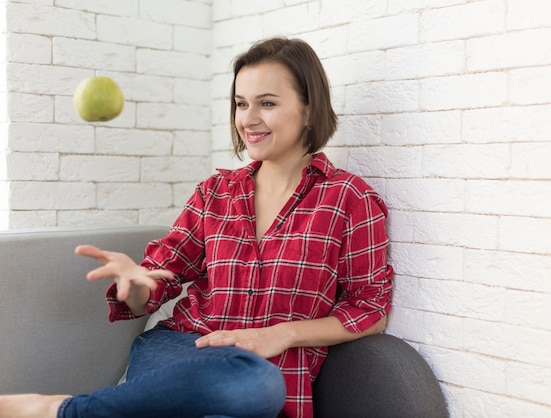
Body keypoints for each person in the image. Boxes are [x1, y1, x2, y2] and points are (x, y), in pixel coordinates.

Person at [0, 37, 393, 418]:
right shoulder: (214, 193)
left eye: (267, 103)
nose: (248, 119)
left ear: (309, 110)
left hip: (260, 373)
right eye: (241, 104)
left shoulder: (349, 200)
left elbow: (371, 309)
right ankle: (64, 411)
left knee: (258, 385)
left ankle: (66, 410)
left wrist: (282, 334)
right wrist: (138, 286)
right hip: (182, 349)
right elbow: (158, 283)